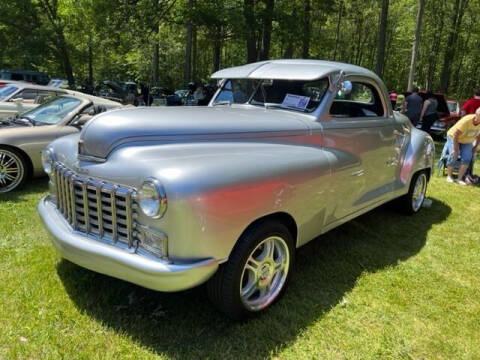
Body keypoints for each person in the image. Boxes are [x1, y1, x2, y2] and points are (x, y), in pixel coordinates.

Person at [445, 107, 480, 185]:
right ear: (476, 115)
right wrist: (455, 149)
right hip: (453, 136)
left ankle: (459, 179)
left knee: (467, 157)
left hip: (467, 140)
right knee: (454, 155)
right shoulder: (467, 120)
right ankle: (449, 176)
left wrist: (475, 147)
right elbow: (455, 135)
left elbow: (479, 136)